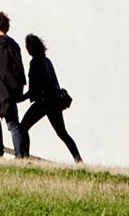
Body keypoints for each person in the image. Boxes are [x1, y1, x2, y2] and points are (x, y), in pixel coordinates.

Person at [20, 34, 82, 163]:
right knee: (62, 133)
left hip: (43, 103)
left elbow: (34, 89)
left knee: (23, 128)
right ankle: (78, 159)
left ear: (30, 48)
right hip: (55, 102)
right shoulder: (47, 61)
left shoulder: (35, 62)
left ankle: (24, 157)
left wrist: (20, 98)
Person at [0, 11, 27, 159]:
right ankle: (13, 153)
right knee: (7, 120)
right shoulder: (12, 43)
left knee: (11, 123)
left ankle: (0, 151)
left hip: (4, 94)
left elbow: (2, 71)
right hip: (12, 91)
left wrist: (4, 94)